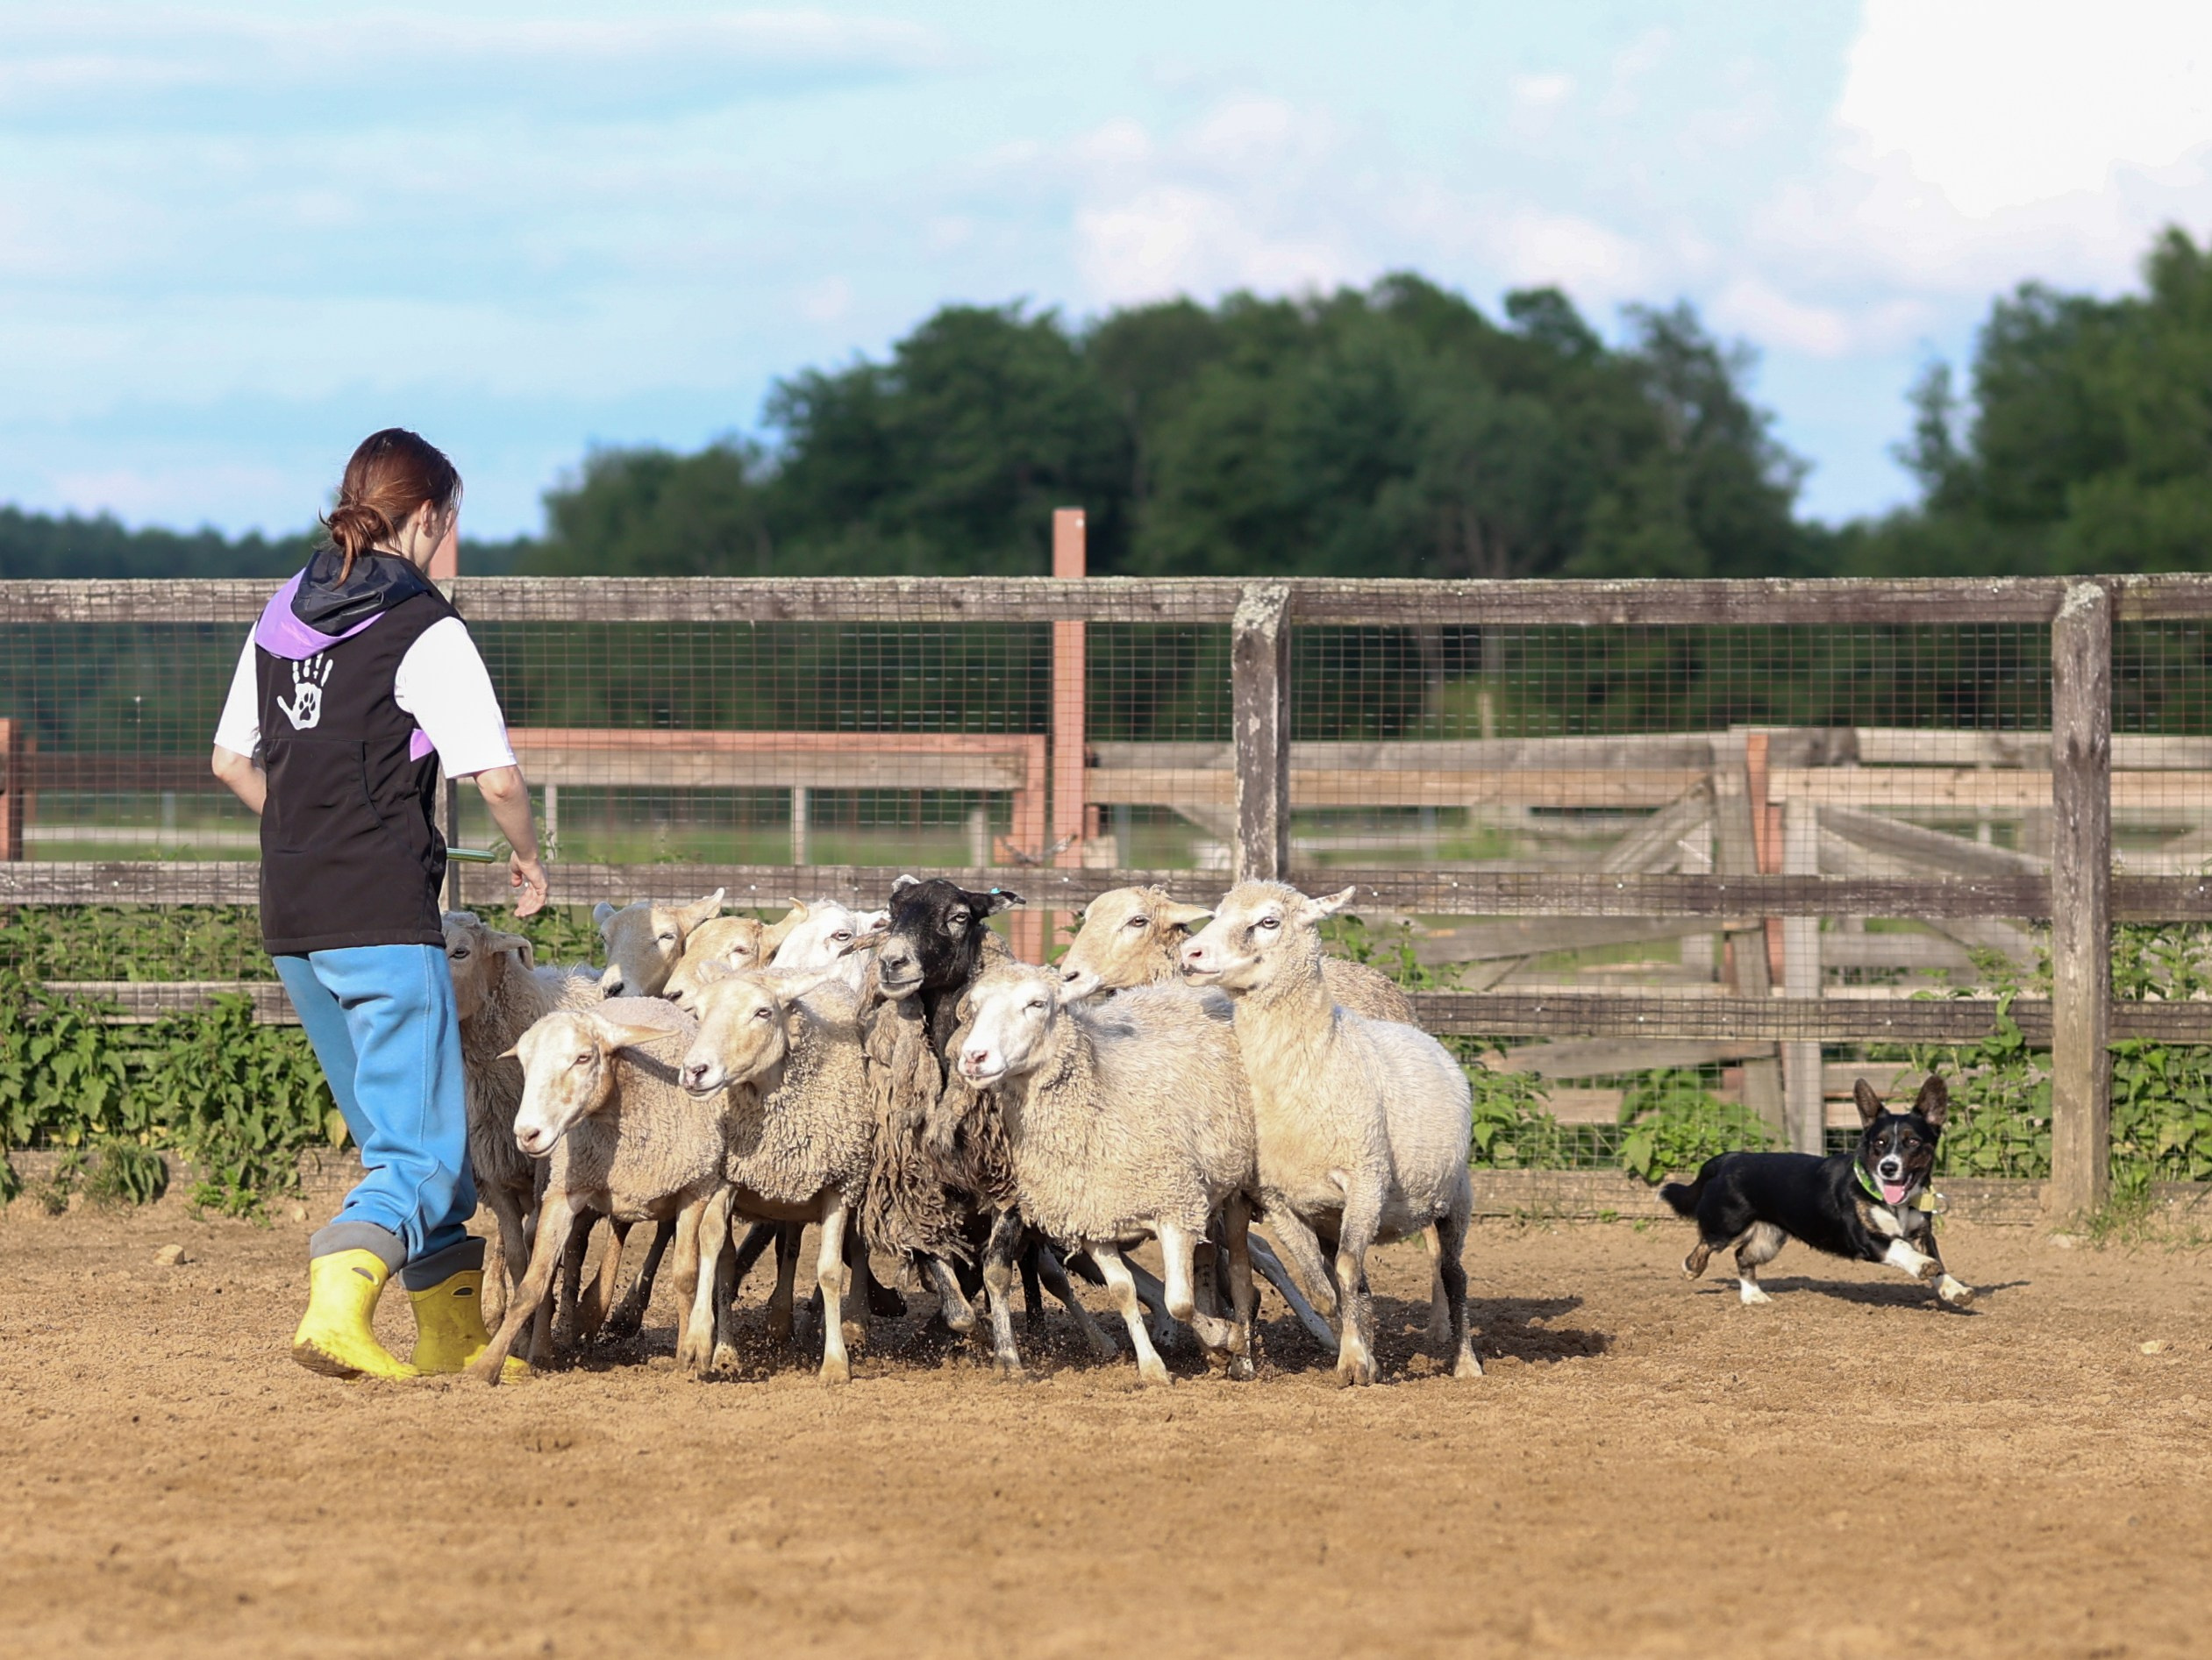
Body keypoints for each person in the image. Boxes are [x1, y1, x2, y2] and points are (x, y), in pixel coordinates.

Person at [210, 428, 549, 1380]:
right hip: (379, 917)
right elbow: (494, 778)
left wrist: (316, 830)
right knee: (425, 1154)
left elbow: (231, 761)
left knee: (402, 1136)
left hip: (295, 919)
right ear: (432, 515)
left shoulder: (284, 608)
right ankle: (334, 1305)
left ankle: (452, 1337)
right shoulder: (425, 624)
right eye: (457, 524)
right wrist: (530, 859)